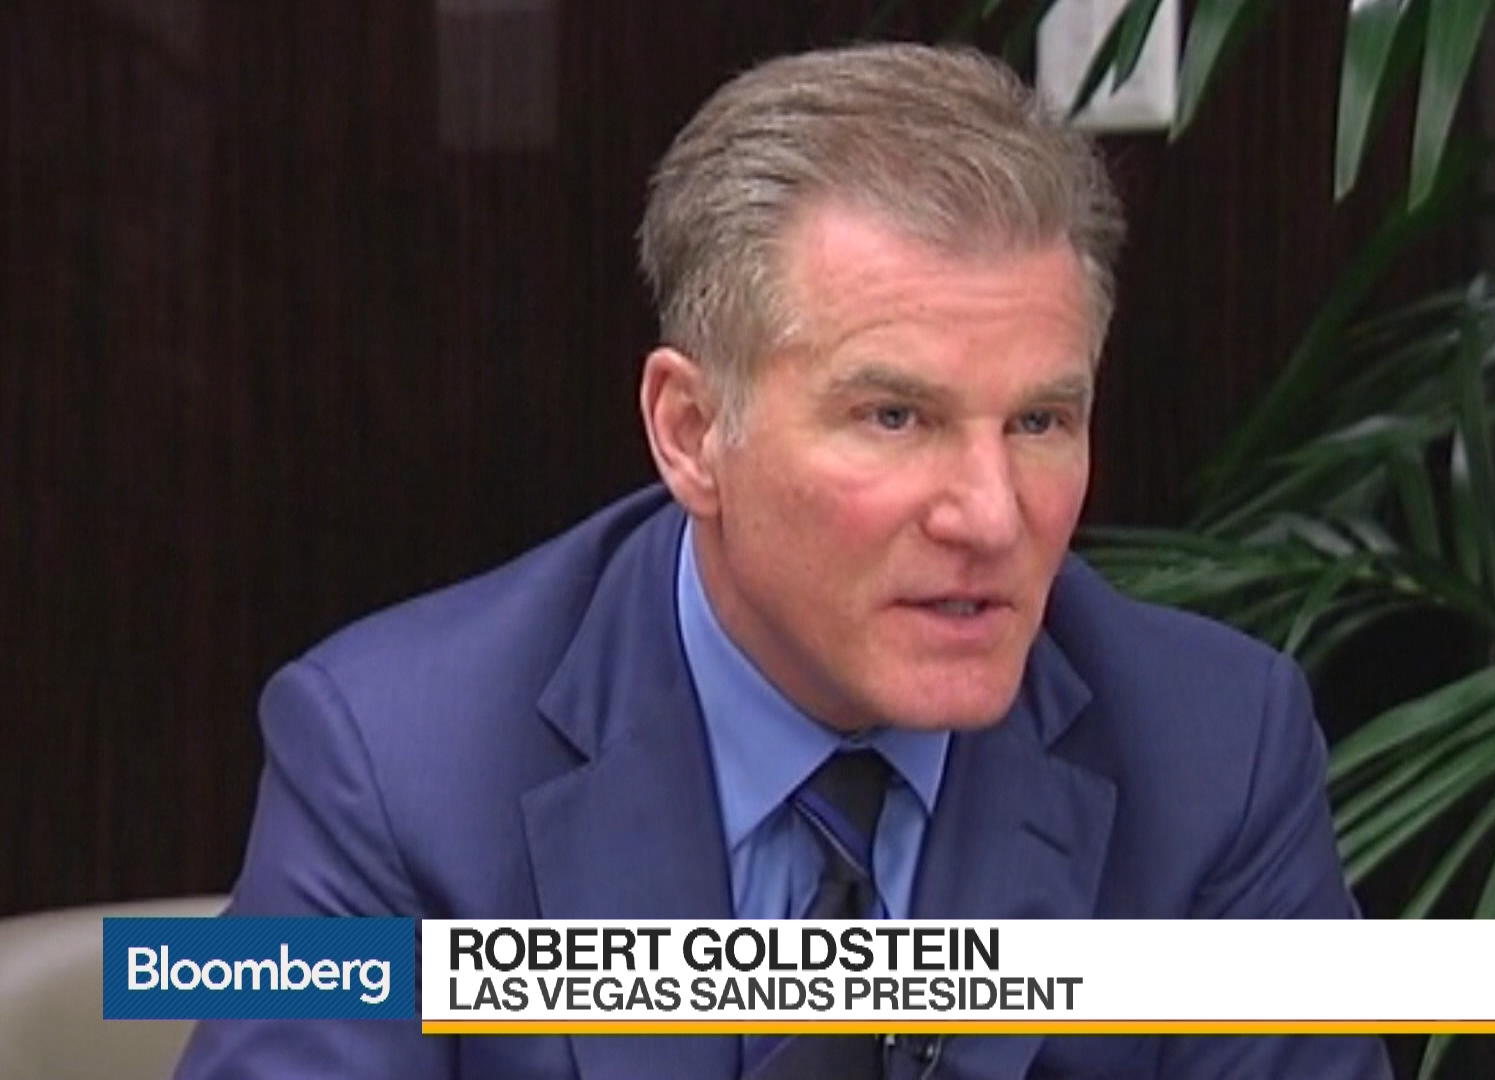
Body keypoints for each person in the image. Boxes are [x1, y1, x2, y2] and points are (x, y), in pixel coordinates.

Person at [176, 43, 1389, 1080]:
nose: (990, 515)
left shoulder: (1215, 752)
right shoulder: (395, 763)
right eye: (895, 418)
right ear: (693, 433)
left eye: (1039, 421)